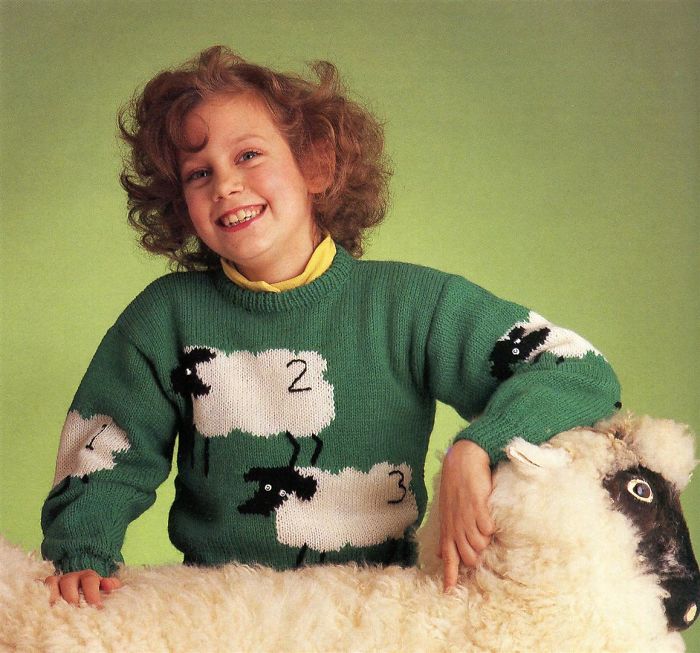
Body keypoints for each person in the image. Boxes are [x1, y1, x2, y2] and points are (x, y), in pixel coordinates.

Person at [42, 46, 621, 608]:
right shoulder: (165, 318)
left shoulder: (413, 305)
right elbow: (105, 445)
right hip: (225, 613)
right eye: (199, 173)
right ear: (180, 202)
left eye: (248, 155)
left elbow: (579, 371)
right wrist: (81, 553)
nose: (225, 185)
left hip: (374, 612)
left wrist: (476, 446)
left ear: (315, 164)